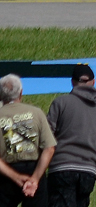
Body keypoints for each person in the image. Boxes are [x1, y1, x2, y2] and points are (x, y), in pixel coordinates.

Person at [46, 64, 96, 207]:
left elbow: (47, 134)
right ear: (94, 82)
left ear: (72, 82)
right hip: (88, 170)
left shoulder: (61, 103)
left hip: (62, 167)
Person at [0, 74, 56, 207]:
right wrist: (35, 179)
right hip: (35, 168)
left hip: (5, 174)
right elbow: (49, 148)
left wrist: (16, 177)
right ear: (21, 93)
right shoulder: (36, 113)